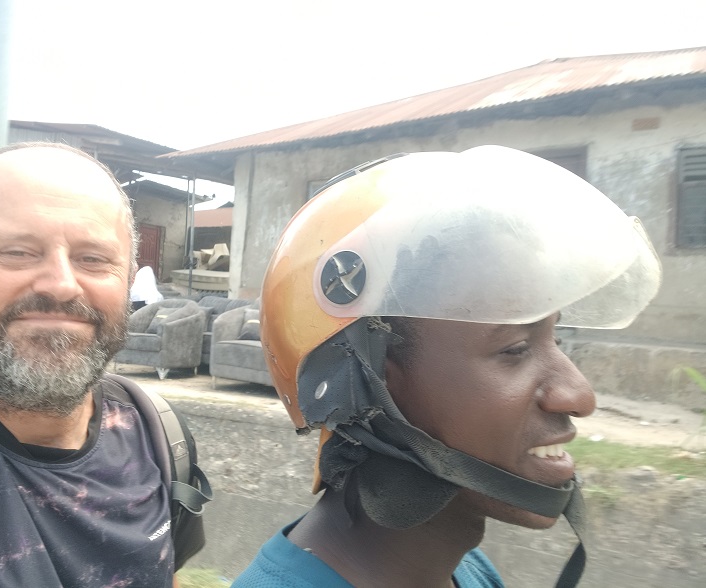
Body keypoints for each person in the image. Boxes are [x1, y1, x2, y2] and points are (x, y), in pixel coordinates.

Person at [233, 146, 662, 588]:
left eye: (555, 338)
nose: (578, 395)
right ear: (367, 384)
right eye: (515, 348)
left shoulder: (470, 572)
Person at [0, 142, 186, 587]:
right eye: (17, 252)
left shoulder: (161, 442)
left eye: (93, 259)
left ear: (128, 283)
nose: (61, 285)